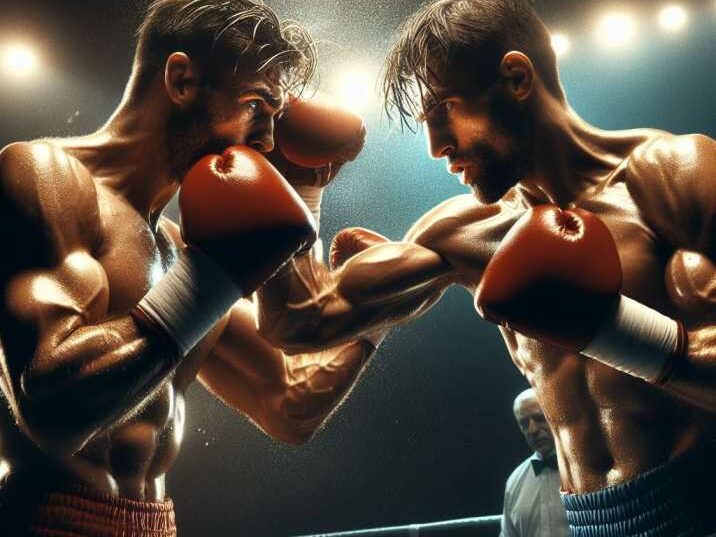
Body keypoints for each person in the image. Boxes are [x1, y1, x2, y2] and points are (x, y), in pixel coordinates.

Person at [253, 1, 716, 535]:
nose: (435, 147)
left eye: (443, 109)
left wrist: (615, 332)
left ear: (517, 78)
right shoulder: (468, 233)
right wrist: (293, 192)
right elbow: (299, 321)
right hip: (587, 524)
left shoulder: (670, 177)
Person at [0, 0, 373, 535]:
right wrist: (215, 279)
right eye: (255, 109)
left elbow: (289, 403)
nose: (267, 141)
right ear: (181, 80)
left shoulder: (182, 248)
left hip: (157, 523)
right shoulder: (47, 176)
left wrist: (380, 303)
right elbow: (51, 412)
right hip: (48, 520)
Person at [501, 388, 568, 537]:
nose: (532, 430)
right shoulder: (514, 481)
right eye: (524, 423)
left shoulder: (589, 471)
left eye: (539, 418)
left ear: (556, 414)